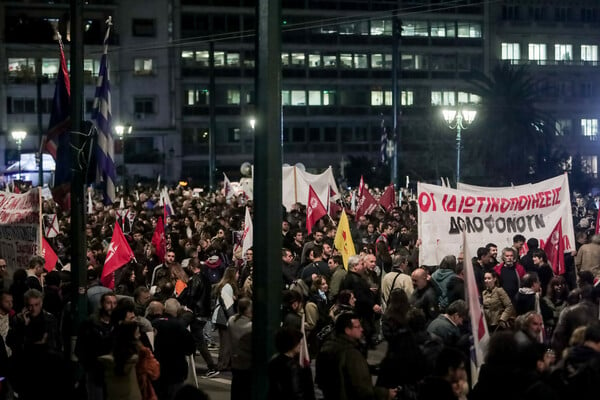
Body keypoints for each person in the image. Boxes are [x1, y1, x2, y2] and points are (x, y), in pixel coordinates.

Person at [316, 313, 395, 400]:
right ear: (347, 330)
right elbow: (362, 389)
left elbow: (320, 380)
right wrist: (386, 394)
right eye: (357, 327)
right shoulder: (351, 354)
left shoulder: (328, 346)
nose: (361, 329)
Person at [376, 289, 425, 394]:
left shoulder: (388, 316)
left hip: (394, 353)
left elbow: (387, 335)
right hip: (412, 352)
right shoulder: (412, 313)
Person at [75, 291, 117, 400]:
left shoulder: (117, 324)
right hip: (95, 371)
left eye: (114, 303)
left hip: (112, 372)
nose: (112, 306)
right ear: (102, 304)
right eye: (108, 303)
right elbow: (80, 348)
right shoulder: (90, 323)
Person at [182, 258, 218, 378]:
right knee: (196, 339)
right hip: (205, 313)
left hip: (197, 313)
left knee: (199, 341)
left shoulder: (195, 279)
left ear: (191, 266)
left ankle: (212, 366)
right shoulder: (206, 278)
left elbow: (192, 295)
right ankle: (191, 365)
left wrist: (188, 307)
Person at [152, 298, 195, 400]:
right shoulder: (180, 326)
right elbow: (190, 349)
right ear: (178, 310)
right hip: (175, 371)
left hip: (157, 369)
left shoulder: (153, 323)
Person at [268, 327, 315, 400]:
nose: (301, 345)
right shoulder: (293, 366)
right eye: (298, 342)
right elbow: (296, 392)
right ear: (291, 343)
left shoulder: (273, 360)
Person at [211, 266, 238, 371]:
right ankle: (222, 364)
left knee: (225, 342)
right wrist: (233, 319)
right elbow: (228, 305)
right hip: (223, 318)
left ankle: (224, 363)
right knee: (226, 343)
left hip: (221, 317)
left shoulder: (224, 286)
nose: (238, 275)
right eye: (237, 273)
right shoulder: (228, 287)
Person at [229, 297, 253, 400]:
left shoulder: (231, 321)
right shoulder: (250, 326)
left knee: (236, 390)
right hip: (247, 363)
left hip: (235, 361)